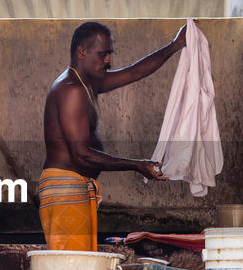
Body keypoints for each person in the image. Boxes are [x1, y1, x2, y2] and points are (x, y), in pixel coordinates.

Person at [38, 20, 190, 251]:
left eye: (109, 53)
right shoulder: (71, 90)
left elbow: (135, 72)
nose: (109, 60)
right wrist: (136, 165)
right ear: (82, 52)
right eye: (103, 54)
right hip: (64, 192)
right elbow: (81, 155)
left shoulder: (87, 83)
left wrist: (175, 45)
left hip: (74, 190)